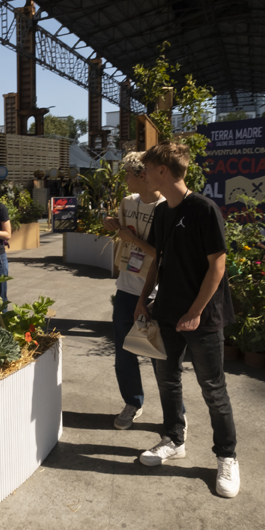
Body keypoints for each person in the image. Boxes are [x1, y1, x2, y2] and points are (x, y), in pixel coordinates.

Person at [134, 141, 240, 499]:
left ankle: (226, 456)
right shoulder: (163, 212)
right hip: (166, 312)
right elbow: (158, 261)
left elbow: (218, 266)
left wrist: (194, 312)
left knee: (213, 389)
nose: (144, 175)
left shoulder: (204, 209)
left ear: (164, 171)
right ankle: (173, 439)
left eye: (147, 169)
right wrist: (143, 299)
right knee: (167, 381)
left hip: (204, 318)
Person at [103, 151, 163, 430]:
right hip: (126, 287)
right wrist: (115, 228)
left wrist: (132, 239)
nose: (124, 178)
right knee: (124, 353)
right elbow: (124, 238)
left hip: (154, 293)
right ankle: (133, 402)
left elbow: (165, 257)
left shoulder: (167, 208)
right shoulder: (127, 203)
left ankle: (176, 414)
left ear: (143, 175)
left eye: (128, 173)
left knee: (158, 357)